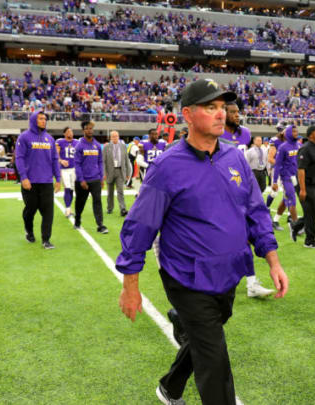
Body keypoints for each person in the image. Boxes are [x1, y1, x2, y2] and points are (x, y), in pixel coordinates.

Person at [116, 79, 288, 405]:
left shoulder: (235, 159)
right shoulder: (167, 166)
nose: (221, 114)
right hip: (186, 276)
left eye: (223, 107)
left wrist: (273, 261)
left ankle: (169, 387)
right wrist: (130, 285)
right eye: (211, 107)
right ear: (188, 115)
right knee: (214, 357)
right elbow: (139, 229)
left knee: (202, 338)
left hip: (228, 272)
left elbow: (256, 213)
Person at [15, 111, 62, 249]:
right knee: (30, 211)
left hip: (47, 182)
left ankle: (46, 240)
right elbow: (19, 158)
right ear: (34, 120)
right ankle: (29, 231)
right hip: (30, 182)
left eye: (45, 119)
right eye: (41, 118)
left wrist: (58, 179)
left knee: (48, 212)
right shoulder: (24, 137)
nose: (44, 121)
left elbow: (54, 159)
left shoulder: (50, 139)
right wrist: (23, 177)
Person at [296, 125, 315, 249]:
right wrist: (302, 189)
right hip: (307, 185)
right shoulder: (305, 149)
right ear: (311, 135)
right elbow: (301, 170)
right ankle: (310, 241)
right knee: (310, 213)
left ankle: (296, 225)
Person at [74, 121, 108, 234]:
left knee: (97, 202)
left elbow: (100, 162)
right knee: (80, 203)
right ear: (83, 130)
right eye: (87, 129)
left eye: (91, 128)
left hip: (95, 179)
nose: (90, 130)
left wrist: (101, 176)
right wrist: (81, 180)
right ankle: (77, 219)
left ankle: (100, 225)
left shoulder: (97, 145)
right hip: (83, 181)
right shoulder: (79, 145)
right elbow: (77, 164)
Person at [273, 124, 302, 240]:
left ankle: (275, 220)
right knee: (292, 200)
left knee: (286, 200)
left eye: (296, 131)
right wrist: (275, 181)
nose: (296, 133)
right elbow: (277, 165)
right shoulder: (283, 147)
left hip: (296, 177)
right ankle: (296, 226)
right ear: (289, 133)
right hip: (286, 178)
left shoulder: (299, 145)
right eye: (294, 131)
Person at [103, 130, 131, 217]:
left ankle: (123, 208)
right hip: (110, 171)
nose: (115, 138)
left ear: (118, 137)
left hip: (120, 171)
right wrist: (104, 173)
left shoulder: (123, 146)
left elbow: (126, 160)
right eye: (113, 136)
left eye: (116, 136)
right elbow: (103, 161)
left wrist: (128, 172)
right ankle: (109, 208)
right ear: (110, 138)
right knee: (110, 192)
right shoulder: (106, 147)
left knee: (120, 191)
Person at [56, 127, 78, 217]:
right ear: (64, 134)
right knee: (67, 188)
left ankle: (69, 208)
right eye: (68, 131)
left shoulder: (77, 142)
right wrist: (61, 161)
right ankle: (68, 209)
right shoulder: (60, 142)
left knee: (72, 189)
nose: (70, 133)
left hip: (74, 169)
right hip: (64, 169)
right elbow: (56, 154)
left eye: (71, 131)